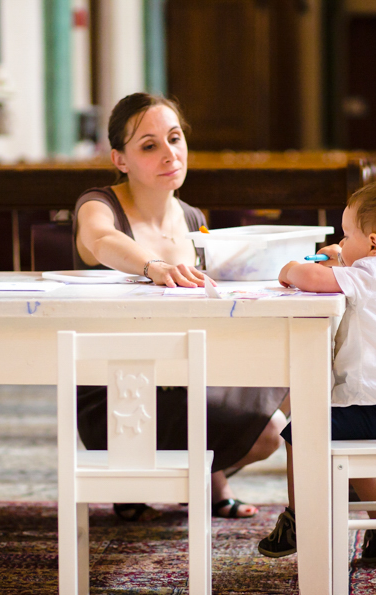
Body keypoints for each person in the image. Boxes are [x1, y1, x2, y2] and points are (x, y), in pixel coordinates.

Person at [73, 92, 288, 520]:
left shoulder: (192, 218)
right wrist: (153, 266)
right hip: (118, 392)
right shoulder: (100, 204)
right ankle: (186, 481)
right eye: (149, 145)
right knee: (266, 429)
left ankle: (205, 484)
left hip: (184, 376)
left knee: (289, 390)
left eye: (175, 138)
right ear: (120, 160)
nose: (170, 153)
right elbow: (101, 240)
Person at [258, 174, 376, 563]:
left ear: (373, 245)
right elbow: (365, 277)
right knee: (343, 422)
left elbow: (309, 278)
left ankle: (298, 518)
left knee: (302, 427)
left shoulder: (369, 276)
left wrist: (290, 268)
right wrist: (344, 259)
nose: (341, 242)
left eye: (347, 234)